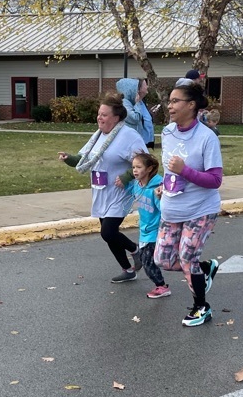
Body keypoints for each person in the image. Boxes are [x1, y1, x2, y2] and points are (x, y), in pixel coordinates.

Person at [58, 92, 146, 281]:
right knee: (108, 235)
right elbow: (84, 159)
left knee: (108, 231)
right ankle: (128, 270)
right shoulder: (98, 135)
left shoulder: (129, 136)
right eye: (99, 114)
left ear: (116, 117)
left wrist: (126, 176)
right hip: (101, 191)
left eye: (104, 115)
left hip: (121, 191)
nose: (99, 117)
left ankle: (135, 250)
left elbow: (144, 162)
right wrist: (69, 159)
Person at [155, 82, 222, 327]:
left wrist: (185, 170)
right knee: (162, 259)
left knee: (186, 258)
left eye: (175, 101)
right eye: (170, 101)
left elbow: (215, 180)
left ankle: (201, 307)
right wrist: (165, 184)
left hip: (201, 208)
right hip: (172, 206)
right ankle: (204, 269)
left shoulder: (207, 137)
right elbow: (169, 168)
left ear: (191, 105)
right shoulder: (167, 132)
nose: (170, 105)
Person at [123, 151, 170, 298]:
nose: (135, 170)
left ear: (149, 169)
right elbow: (129, 190)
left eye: (138, 167)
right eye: (133, 167)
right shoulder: (138, 185)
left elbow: (164, 211)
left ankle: (162, 286)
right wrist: (121, 181)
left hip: (155, 230)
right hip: (144, 229)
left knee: (147, 261)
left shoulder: (156, 188)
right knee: (149, 260)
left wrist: (161, 196)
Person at [116, 78, 155, 145]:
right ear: (131, 89)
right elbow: (135, 118)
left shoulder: (131, 102)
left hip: (136, 139)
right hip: (130, 140)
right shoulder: (124, 103)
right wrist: (137, 104)